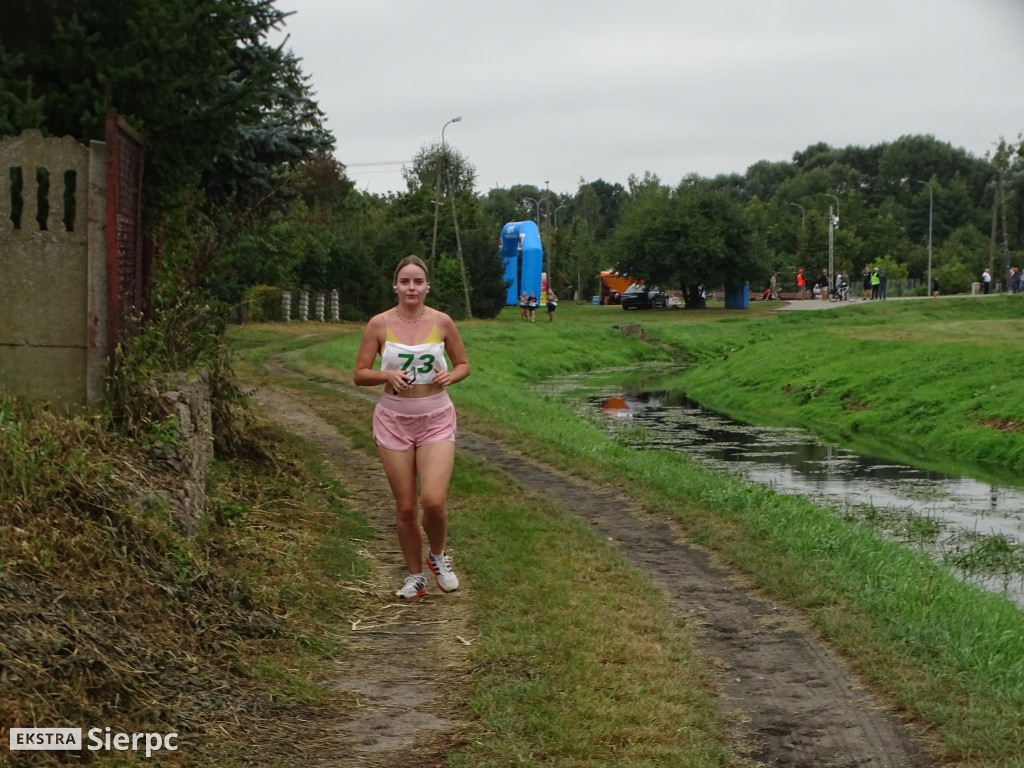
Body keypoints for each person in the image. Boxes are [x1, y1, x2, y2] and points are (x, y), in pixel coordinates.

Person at [353, 255, 471, 600]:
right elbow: (359, 374)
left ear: (427, 286)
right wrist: (385, 374)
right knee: (406, 506)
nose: (411, 288)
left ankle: (437, 557)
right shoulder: (378, 324)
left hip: (435, 415)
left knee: (433, 500)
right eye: (405, 281)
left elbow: (463, 364)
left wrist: (453, 374)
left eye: (417, 282)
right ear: (396, 285)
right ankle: (415, 576)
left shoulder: (442, 321)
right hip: (394, 419)